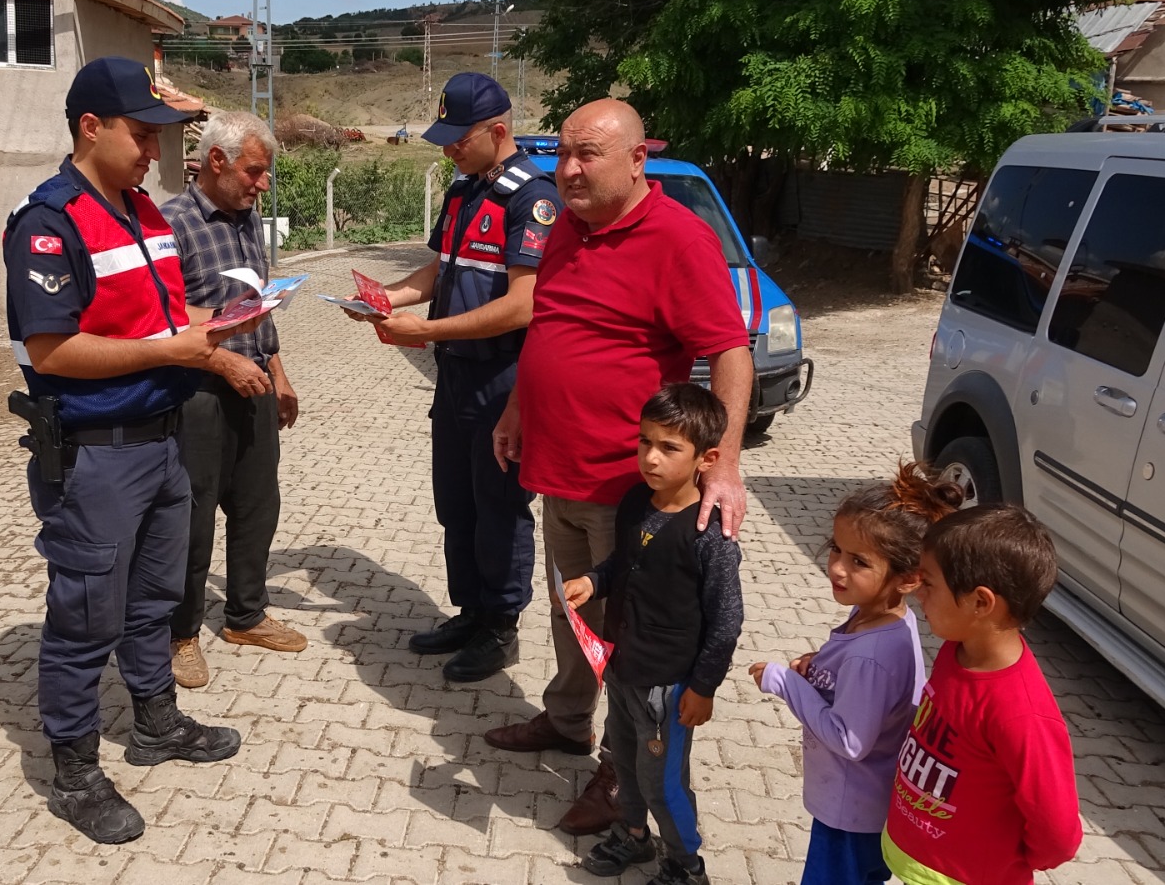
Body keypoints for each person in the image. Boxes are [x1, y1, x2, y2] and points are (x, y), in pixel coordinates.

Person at [483, 98, 754, 836]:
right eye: (563, 153)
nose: (567, 170)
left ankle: (621, 770)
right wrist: (517, 411)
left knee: (632, 641)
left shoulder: (678, 239)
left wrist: (722, 466)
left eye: (587, 155)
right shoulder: (569, 227)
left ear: (637, 158)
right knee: (573, 614)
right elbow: (554, 328)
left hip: (630, 489)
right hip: (558, 468)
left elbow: (730, 352)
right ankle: (568, 721)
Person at [3, 56, 249, 844]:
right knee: (83, 621)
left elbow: (158, 324)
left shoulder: (145, 213)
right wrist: (176, 351)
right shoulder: (49, 223)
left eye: (159, 136)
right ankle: (74, 771)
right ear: (90, 127)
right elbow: (52, 352)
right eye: (141, 134)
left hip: (163, 441)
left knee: (153, 602)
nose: (153, 151)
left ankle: (154, 724)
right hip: (95, 454)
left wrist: (207, 338)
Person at [348, 72, 560, 682]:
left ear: (497, 131)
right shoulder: (465, 190)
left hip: (504, 381)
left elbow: (525, 304)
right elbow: (442, 270)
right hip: (456, 379)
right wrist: (387, 300)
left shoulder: (532, 197)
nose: (448, 150)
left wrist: (428, 333)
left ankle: (500, 625)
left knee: (499, 505)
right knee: (456, 502)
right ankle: (469, 610)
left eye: (457, 139)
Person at [560, 383, 742, 885]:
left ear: (706, 459)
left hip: (668, 687)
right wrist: (592, 581)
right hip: (621, 669)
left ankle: (687, 865)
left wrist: (703, 687)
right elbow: (623, 563)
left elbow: (727, 622)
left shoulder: (711, 534)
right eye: (644, 442)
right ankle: (635, 837)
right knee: (626, 766)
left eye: (669, 448)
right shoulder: (635, 501)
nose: (651, 458)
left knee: (664, 783)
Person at [748, 463, 964, 885]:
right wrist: (822, 666)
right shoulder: (879, 618)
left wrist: (785, 682)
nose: (837, 568)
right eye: (836, 549)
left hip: (851, 812)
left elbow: (851, 740)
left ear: (907, 579)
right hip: (861, 804)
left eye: (859, 561)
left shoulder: (873, 655)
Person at [160, 111, 306, 690]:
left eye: (266, 173)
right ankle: (180, 633)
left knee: (256, 507)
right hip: (197, 391)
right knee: (191, 517)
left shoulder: (248, 220)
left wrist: (280, 373)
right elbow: (164, 320)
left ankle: (245, 615)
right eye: (254, 171)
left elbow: (258, 310)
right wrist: (222, 361)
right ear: (215, 161)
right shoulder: (169, 224)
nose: (262, 183)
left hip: (254, 383)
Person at [882, 504, 1083, 883]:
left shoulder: (1020, 713)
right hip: (914, 863)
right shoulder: (955, 649)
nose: (917, 593)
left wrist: (1004, 859)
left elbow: (1058, 833)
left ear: (980, 602)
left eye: (930, 583)